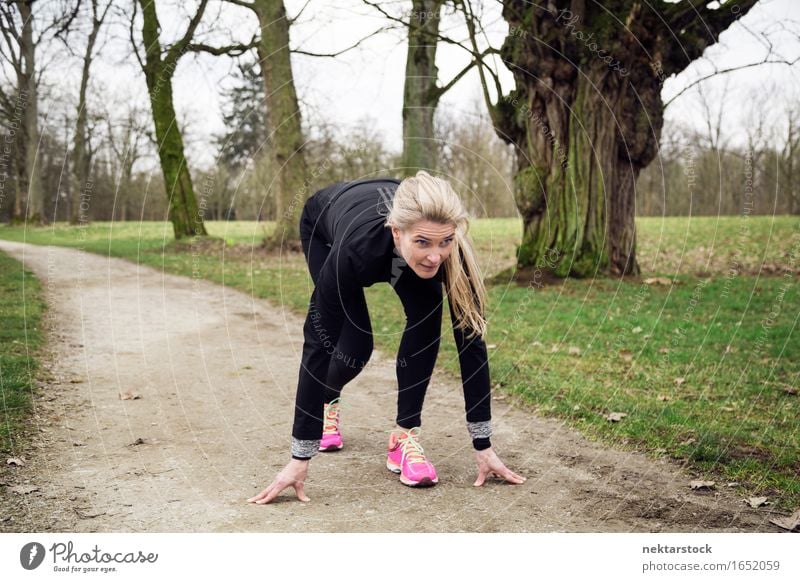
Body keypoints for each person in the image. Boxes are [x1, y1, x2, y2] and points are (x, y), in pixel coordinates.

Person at [247, 171, 525, 504]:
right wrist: (299, 458)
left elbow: (472, 345)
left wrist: (484, 446)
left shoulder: (448, 251)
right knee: (355, 346)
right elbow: (317, 344)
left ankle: (404, 438)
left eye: (445, 241)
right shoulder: (353, 250)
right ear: (397, 232)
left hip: (384, 224)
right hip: (324, 227)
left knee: (426, 318)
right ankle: (327, 401)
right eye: (423, 242)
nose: (436, 255)